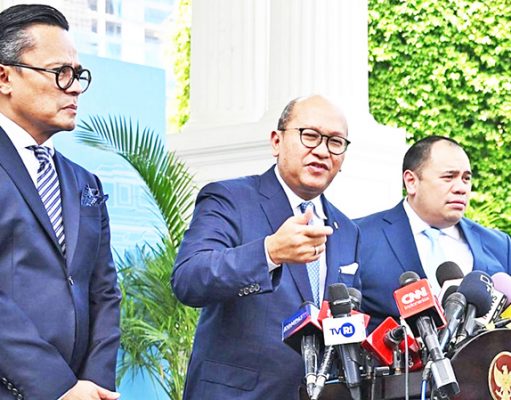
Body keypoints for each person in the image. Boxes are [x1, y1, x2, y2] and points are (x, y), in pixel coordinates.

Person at [171, 95, 361, 399]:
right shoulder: (229, 198)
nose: (322, 150)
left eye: (335, 142)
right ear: (276, 141)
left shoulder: (347, 229)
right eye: (310, 135)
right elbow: (189, 279)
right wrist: (269, 253)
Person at [0, 4, 121, 400]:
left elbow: (104, 290)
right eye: (59, 72)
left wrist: (95, 384)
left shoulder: (84, 181)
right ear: (4, 77)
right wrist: (57, 388)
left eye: (78, 74)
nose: (74, 88)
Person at [356, 135, 511, 331]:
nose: (461, 188)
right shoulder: (359, 236)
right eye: (448, 177)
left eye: (466, 178)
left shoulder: (500, 245)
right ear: (411, 182)